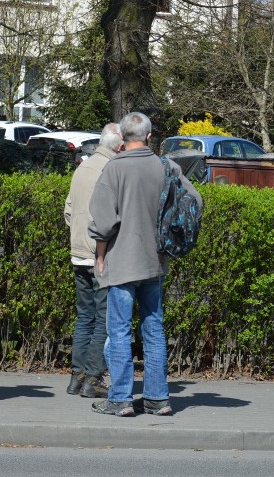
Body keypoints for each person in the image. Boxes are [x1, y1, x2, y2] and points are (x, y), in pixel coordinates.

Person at [87, 112, 202, 417]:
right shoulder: (166, 166)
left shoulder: (113, 169)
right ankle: (157, 399)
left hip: (122, 262)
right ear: (150, 136)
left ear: (122, 137)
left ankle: (121, 399)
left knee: (120, 331)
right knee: (153, 329)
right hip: (155, 262)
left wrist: (100, 254)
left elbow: (103, 222)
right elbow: (195, 201)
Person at [64, 123, 123, 399]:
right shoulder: (111, 170)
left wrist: (79, 235)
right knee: (102, 319)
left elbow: (68, 210)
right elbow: (111, 218)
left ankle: (76, 377)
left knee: (84, 316)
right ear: (118, 145)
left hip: (78, 251)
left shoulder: (83, 167)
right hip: (99, 253)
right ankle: (93, 379)